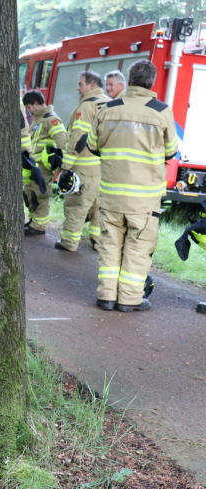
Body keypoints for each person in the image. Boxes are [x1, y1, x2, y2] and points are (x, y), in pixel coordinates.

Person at [87, 59, 178, 312]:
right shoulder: (161, 110)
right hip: (144, 198)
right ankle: (129, 299)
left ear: (129, 80)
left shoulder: (108, 107)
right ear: (152, 82)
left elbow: (93, 146)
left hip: (112, 194)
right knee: (138, 246)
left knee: (110, 244)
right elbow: (171, 151)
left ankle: (106, 295)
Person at [56, 71, 109, 252]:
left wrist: (66, 165)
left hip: (84, 167)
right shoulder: (111, 104)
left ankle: (68, 243)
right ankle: (97, 242)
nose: (78, 88)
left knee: (76, 207)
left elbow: (79, 137)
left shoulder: (87, 106)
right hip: (104, 169)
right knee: (98, 209)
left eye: (81, 84)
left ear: (91, 85)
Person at [22, 90, 67, 235]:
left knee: (40, 194)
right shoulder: (38, 119)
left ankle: (39, 226)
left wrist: (61, 162)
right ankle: (33, 220)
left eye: (29, 107)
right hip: (34, 165)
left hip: (43, 166)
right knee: (29, 192)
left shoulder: (50, 119)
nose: (28, 111)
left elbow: (61, 139)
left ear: (36, 103)